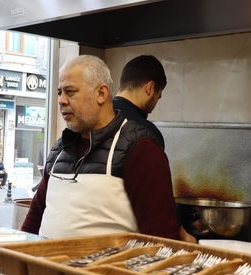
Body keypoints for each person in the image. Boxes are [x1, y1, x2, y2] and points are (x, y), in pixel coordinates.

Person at [21, 55, 183, 241]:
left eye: (70, 92)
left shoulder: (141, 149)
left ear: (101, 94)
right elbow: (33, 221)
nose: (61, 101)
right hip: (45, 268)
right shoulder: (60, 150)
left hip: (105, 270)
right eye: (59, 92)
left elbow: (161, 239)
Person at [113, 55, 196, 243]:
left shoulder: (99, 119)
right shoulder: (145, 132)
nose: (155, 104)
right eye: (158, 96)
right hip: (130, 238)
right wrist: (180, 232)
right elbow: (158, 199)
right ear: (149, 88)